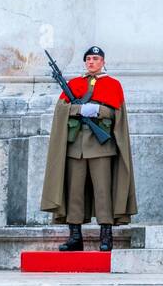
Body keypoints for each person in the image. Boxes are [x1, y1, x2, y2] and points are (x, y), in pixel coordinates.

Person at [40, 45, 136, 251]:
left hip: (101, 147)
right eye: (88, 59)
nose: (91, 62)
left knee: (103, 192)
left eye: (95, 59)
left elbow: (115, 114)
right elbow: (62, 109)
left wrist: (98, 110)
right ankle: (75, 236)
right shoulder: (74, 84)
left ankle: (106, 235)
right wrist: (80, 109)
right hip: (76, 147)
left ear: (103, 62)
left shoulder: (113, 85)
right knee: (75, 192)